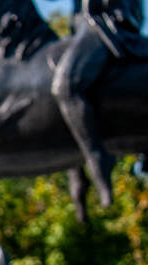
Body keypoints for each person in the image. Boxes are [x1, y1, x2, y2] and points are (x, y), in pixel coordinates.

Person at [51, 0, 148, 206]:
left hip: (107, 25)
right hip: (82, 29)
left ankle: (97, 159)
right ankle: (77, 171)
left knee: (67, 86)